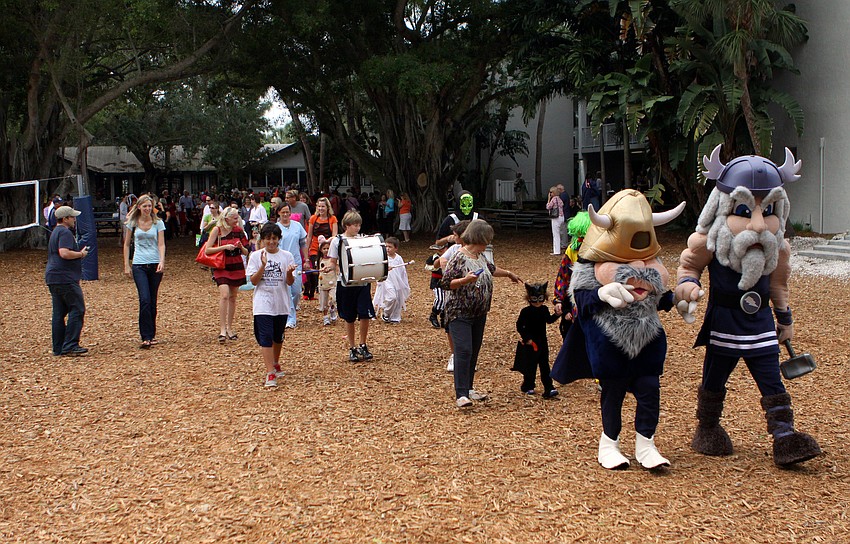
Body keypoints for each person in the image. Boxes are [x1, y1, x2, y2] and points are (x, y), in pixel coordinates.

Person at [675, 145, 821, 467]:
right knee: (713, 381)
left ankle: (784, 436)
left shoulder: (777, 250)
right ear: (721, 208)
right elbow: (689, 267)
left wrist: (785, 319)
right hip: (723, 323)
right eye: (744, 212)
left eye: (767, 212)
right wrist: (688, 285)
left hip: (760, 325)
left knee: (772, 380)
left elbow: (779, 286)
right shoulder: (711, 243)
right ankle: (707, 428)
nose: (757, 224)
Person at [551, 190, 684, 470]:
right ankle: (609, 444)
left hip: (647, 347)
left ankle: (646, 444)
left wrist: (678, 299)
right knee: (613, 395)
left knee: (650, 391)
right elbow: (582, 302)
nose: (637, 269)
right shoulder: (589, 271)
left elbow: (657, 298)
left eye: (646, 263)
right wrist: (601, 294)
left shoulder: (648, 273)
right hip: (610, 350)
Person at [440, 219, 522, 408]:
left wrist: (509, 274)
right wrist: (465, 280)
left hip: (479, 312)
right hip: (459, 311)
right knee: (463, 350)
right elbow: (445, 283)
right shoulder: (459, 257)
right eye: (488, 238)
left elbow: (491, 270)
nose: (489, 241)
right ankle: (460, 394)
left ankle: (468, 389)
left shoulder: (480, 256)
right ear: (479, 237)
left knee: (473, 351)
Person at [246, 223, 296, 388]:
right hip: (262, 303)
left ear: (279, 239)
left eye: (274, 239)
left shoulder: (287, 256)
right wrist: (263, 266)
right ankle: (270, 372)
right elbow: (253, 281)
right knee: (265, 337)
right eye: (268, 239)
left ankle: (275, 362)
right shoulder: (255, 256)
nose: (271, 242)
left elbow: (289, 282)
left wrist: (289, 272)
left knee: (277, 336)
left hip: (280, 303)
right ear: (263, 240)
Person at [323, 210, 376, 362]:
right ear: (346, 225)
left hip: (362, 282)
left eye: (359, 225)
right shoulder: (337, 241)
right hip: (345, 283)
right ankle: (352, 347)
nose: (358, 228)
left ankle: (363, 344)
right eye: (355, 225)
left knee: (364, 314)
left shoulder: (363, 240)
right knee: (349, 317)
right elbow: (333, 262)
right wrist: (329, 268)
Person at [123, 194, 167, 349]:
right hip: (139, 264)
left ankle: (151, 334)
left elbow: (161, 244)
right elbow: (127, 244)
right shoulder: (133, 223)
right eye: (145, 206)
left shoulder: (158, 223)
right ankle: (145, 336)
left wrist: (162, 261)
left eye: (150, 206)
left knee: (152, 300)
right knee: (144, 299)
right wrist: (126, 265)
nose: (147, 209)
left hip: (155, 263)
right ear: (139, 207)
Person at [45, 205, 90, 356]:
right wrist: (80, 254)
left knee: (59, 312)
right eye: (72, 217)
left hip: (53, 277)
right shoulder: (64, 232)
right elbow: (64, 253)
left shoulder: (55, 232)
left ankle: (58, 347)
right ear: (65, 219)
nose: (74, 219)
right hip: (65, 278)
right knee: (77, 308)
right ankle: (70, 344)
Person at [206, 207, 250, 343]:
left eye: (238, 217)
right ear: (227, 218)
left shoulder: (239, 231)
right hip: (222, 265)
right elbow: (207, 250)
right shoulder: (217, 230)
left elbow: (246, 251)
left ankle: (230, 328)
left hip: (236, 264)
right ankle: (222, 329)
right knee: (224, 295)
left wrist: (239, 247)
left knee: (233, 297)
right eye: (235, 218)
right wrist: (225, 247)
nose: (237, 220)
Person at [514, 282, 559, 397]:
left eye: (540, 299)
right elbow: (519, 326)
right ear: (529, 299)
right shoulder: (526, 311)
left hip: (542, 341)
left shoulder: (544, 309)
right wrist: (526, 338)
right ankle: (528, 385)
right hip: (531, 343)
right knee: (531, 366)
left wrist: (557, 314)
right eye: (534, 299)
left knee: (545, 365)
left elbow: (549, 320)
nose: (538, 302)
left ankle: (549, 387)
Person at [552, 211, 590, 339]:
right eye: (579, 236)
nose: (581, 240)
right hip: (575, 296)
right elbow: (563, 276)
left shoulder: (600, 251)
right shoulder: (572, 250)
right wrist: (559, 299)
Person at [275, 203, 310, 328]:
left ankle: (291, 310)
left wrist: (306, 259)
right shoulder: (276, 227)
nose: (285, 214)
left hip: (296, 262)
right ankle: (290, 318)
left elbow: (303, 243)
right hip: (281, 262)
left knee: (296, 290)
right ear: (278, 213)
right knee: (286, 291)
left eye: (287, 212)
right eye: (283, 212)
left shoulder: (297, 226)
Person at [305, 197, 338, 300]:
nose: (321, 208)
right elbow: (309, 236)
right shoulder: (313, 219)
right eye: (319, 206)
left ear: (327, 207)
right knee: (316, 269)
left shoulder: (332, 219)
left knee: (329, 270)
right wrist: (307, 249)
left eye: (323, 206)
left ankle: (330, 291)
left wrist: (329, 243)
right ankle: (316, 291)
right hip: (315, 248)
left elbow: (335, 235)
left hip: (328, 249)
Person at [372, 237, 411, 324]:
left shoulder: (398, 258)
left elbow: (402, 272)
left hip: (397, 282)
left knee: (397, 299)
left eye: (390, 247)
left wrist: (403, 283)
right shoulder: (382, 257)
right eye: (386, 246)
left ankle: (394, 316)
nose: (387, 249)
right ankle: (386, 313)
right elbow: (377, 270)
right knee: (391, 297)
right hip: (386, 281)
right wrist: (385, 269)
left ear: (396, 248)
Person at [425, 242, 448, 329]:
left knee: (447, 299)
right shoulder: (434, 258)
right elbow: (427, 266)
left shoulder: (450, 256)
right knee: (440, 298)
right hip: (437, 281)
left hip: (447, 281)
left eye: (442, 248)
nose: (440, 250)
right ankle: (434, 314)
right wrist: (436, 267)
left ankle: (444, 317)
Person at [317, 236, 337, 326]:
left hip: (332, 282)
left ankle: (332, 310)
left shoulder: (333, 260)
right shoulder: (319, 260)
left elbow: (337, 268)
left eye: (328, 248)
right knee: (324, 302)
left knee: (333, 299)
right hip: (323, 283)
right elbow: (317, 271)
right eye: (324, 248)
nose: (326, 250)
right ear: (321, 250)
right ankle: (325, 317)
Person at [546, 185, 565, 255]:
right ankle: (559, 248)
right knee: (560, 233)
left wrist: (548, 199)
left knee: (555, 234)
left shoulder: (553, 199)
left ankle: (556, 251)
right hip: (561, 216)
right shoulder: (559, 199)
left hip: (556, 217)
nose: (550, 194)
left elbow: (548, 207)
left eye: (551, 192)